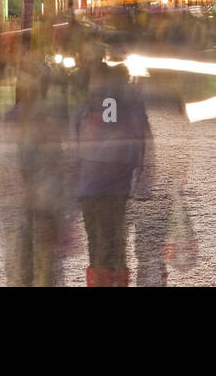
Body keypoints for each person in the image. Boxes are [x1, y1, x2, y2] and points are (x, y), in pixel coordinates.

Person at [73, 59, 150, 286]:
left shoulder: (86, 104)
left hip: (88, 183)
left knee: (96, 242)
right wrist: (137, 167)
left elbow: (72, 139)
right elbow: (139, 137)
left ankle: (99, 280)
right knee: (114, 240)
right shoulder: (129, 103)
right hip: (116, 184)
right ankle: (115, 280)